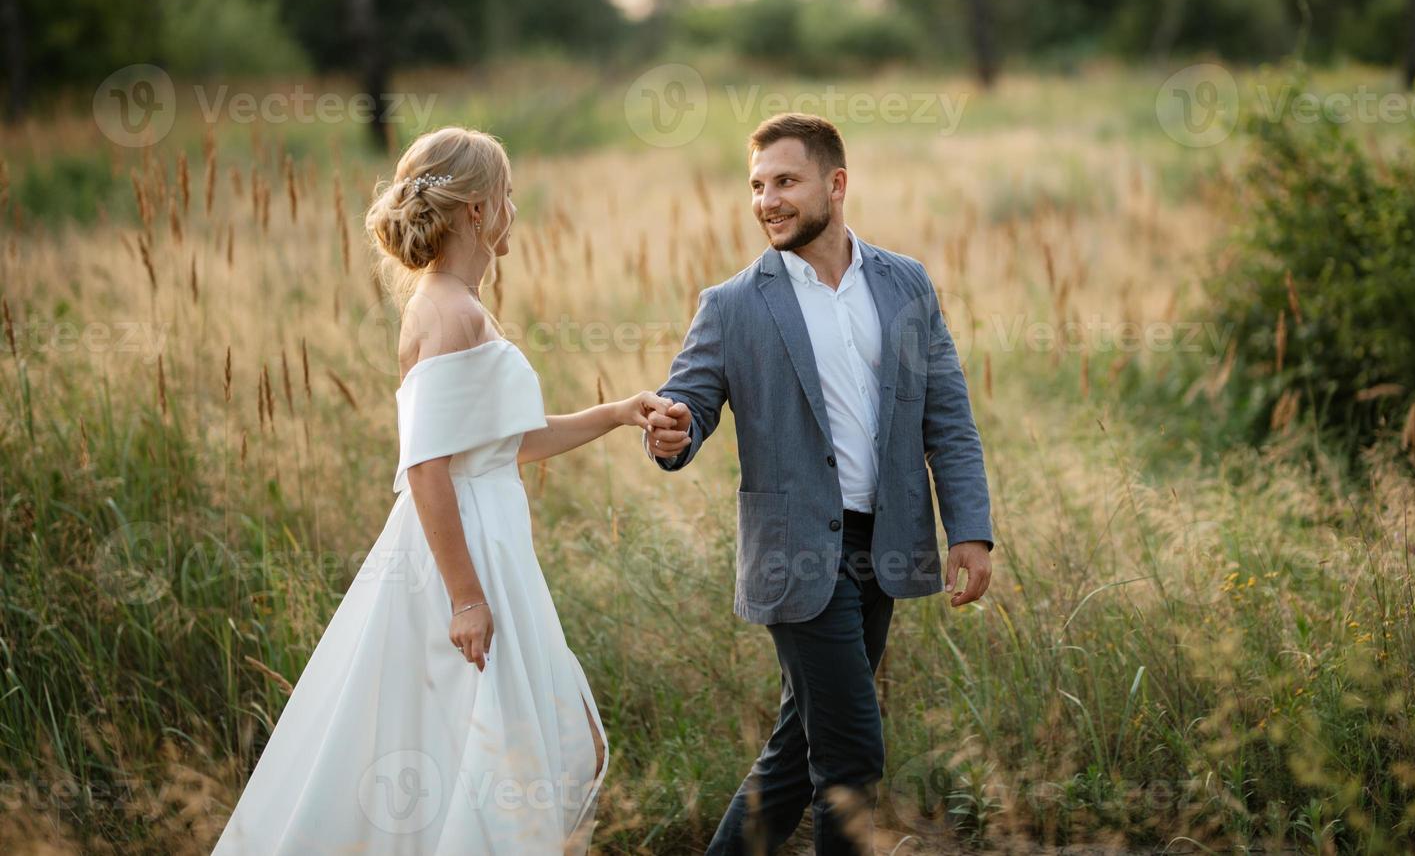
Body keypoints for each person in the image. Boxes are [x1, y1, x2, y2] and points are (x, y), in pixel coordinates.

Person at [211, 125, 669, 854]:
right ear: (480, 212)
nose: (515, 208)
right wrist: (465, 596)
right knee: (501, 741)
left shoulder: (454, 304)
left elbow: (501, 442)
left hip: (487, 536)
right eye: (508, 194)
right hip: (461, 551)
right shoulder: (450, 313)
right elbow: (426, 467)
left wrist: (616, 413)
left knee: (504, 738)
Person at [642, 112, 997, 855]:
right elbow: (690, 401)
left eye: (785, 182)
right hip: (795, 553)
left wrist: (968, 527)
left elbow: (948, 416)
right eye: (757, 185)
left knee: (796, 756)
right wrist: (673, 428)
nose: (767, 200)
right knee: (851, 753)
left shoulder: (906, 284)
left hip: (885, 543)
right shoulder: (733, 304)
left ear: (835, 184)